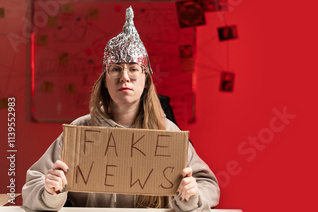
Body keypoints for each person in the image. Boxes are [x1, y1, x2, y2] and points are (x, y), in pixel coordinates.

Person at [22, 6, 220, 211]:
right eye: (116, 69)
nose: (124, 77)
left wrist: (191, 197)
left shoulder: (167, 131)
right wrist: (50, 194)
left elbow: (208, 185)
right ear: (105, 81)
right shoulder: (81, 130)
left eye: (133, 69)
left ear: (146, 81)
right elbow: (33, 183)